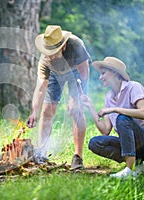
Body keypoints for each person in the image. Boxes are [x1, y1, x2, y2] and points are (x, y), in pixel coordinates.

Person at [26, 25, 91, 169]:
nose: (49, 54)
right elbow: (41, 87)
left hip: (76, 73)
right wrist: (34, 112)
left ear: (63, 45)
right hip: (55, 73)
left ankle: (78, 156)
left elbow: (84, 73)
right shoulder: (45, 59)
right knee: (46, 111)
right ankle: (42, 152)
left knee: (76, 110)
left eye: (53, 52)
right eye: (47, 52)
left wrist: (78, 98)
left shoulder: (76, 45)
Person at [81, 56, 144, 178]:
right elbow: (105, 130)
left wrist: (115, 109)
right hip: (132, 145)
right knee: (95, 143)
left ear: (114, 72)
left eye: (103, 73)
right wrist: (91, 107)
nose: (100, 77)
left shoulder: (133, 87)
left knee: (122, 118)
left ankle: (130, 170)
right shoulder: (109, 97)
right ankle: (138, 163)